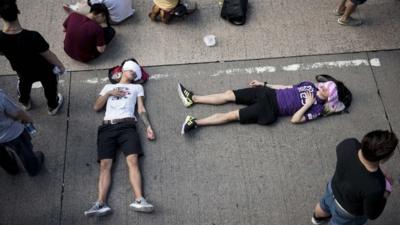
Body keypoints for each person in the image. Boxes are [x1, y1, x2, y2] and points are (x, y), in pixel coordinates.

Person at [85, 60, 155, 217]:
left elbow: (141, 109)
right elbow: (96, 107)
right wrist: (110, 93)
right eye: (132, 71)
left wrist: (148, 127)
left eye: (136, 73)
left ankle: (139, 200)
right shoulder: (109, 87)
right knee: (104, 165)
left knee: (133, 161)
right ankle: (100, 204)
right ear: (124, 70)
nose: (135, 74)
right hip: (107, 128)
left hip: (127, 127)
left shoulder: (137, 87)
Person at [178, 79, 343, 134]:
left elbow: (295, 120)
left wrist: (307, 104)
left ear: (330, 96)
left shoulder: (318, 109)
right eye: (326, 84)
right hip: (268, 94)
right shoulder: (309, 86)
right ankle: (193, 99)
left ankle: (195, 122)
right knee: (229, 94)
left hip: (270, 110)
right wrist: (264, 83)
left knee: (232, 115)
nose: (324, 87)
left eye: (329, 89)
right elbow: (286, 87)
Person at [311, 130, 398, 225]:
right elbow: (372, 214)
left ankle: (317, 218)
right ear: (382, 160)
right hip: (347, 211)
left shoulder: (349, 144)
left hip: (332, 189)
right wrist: (385, 193)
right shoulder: (376, 185)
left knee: (323, 206)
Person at [0, 0, 64, 115]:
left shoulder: (0, 38)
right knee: (50, 87)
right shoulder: (33, 36)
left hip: (22, 71)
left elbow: (2, 52)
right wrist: (60, 65)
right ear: (18, 11)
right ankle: (52, 106)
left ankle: (26, 103)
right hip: (44, 70)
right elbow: (48, 55)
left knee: (23, 85)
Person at [0, 89, 44, 176]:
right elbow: (17, 113)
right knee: (25, 151)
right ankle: (33, 168)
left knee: (2, 156)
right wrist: (28, 120)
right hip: (12, 133)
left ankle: (12, 169)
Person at [63, 0, 135, 24]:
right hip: (129, 11)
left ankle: (75, 9)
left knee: (91, 10)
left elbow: (90, 4)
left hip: (116, 19)